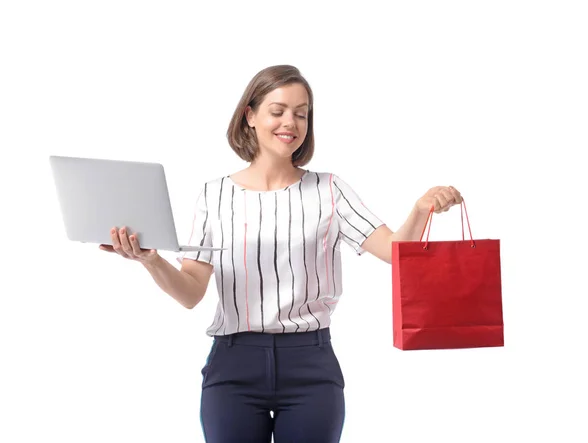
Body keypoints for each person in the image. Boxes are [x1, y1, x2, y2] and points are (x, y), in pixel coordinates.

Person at [99, 65, 463, 443]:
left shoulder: (330, 190)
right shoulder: (214, 195)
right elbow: (191, 293)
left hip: (311, 364)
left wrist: (421, 209)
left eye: (301, 113)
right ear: (250, 116)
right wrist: (150, 259)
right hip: (233, 365)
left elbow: (395, 252)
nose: (291, 121)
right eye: (278, 110)